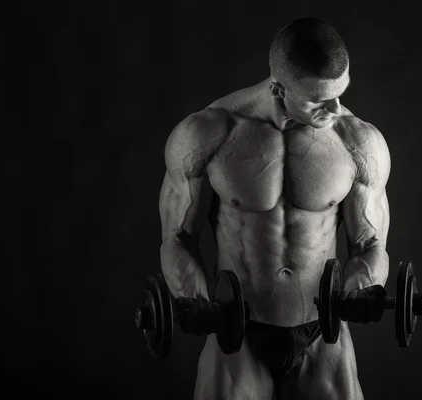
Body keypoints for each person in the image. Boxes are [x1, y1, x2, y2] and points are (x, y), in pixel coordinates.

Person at [158, 16, 390, 400]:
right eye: (319, 100)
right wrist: (194, 300)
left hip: (323, 339)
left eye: (341, 93)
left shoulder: (358, 142)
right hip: (238, 338)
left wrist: (364, 287)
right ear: (279, 88)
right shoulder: (208, 134)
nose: (335, 108)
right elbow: (177, 238)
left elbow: (370, 244)